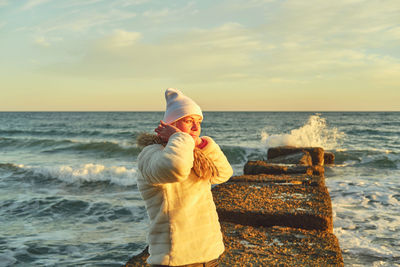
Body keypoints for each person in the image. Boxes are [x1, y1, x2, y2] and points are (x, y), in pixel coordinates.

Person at [136, 88, 233, 266]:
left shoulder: (196, 154)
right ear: (170, 125)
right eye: (189, 121)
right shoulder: (150, 154)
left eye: (199, 122)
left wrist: (202, 144)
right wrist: (180, 138)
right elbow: (176, 169)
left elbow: (223, 174)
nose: (196, 128)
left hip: (209, 253)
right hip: (176, 258)